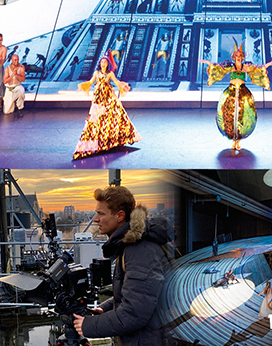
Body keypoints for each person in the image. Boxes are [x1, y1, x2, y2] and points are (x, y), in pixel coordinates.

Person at [73, 185, 169, 345]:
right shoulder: (129, 245)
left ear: (120, 216)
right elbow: (137, 293)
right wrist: (106, 308)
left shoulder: (140, 251)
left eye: (101, 214)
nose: (95, 219)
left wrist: (89, 326)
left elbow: (135, 313)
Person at [203, 43, 272, 152]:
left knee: (241, 116)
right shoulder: (230, 66)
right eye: (236, 55)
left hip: (243, 92)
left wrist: (270, 64)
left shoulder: (245, 67)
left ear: (242, 57)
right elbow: (218, 68)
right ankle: (233, 139)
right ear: (233, 57)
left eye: (240, 56)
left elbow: (259, 69)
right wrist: (208, 63)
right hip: (231, 91)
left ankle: (238, 140)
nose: (238, 57)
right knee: (230, 116)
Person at [73, 52, 140, 157]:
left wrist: (124, 86)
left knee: (112, 117)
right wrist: (81, 87)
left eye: (105, 62)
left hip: (108, 98)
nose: (103, 64)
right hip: (99, 99)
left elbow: (117, 82)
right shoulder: (97, 73)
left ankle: (112, 139)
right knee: (94, 120)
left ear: (108, 63)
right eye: (102, 62)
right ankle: (92, 143)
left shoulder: (110, 74)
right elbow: (90, 82)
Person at [3, 52, 26, 118]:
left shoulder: (21, 67)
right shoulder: (7, 68)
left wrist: (16, 74)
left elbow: (23, 79)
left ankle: (20, 108)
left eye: (17, 59)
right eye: (15, 60)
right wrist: (12, 75)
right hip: (9, 88)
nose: (16, 61)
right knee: (7, 111)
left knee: (21, 91)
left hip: (17, 86)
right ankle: (12, 104)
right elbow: (5, 81)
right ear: (12, 60)